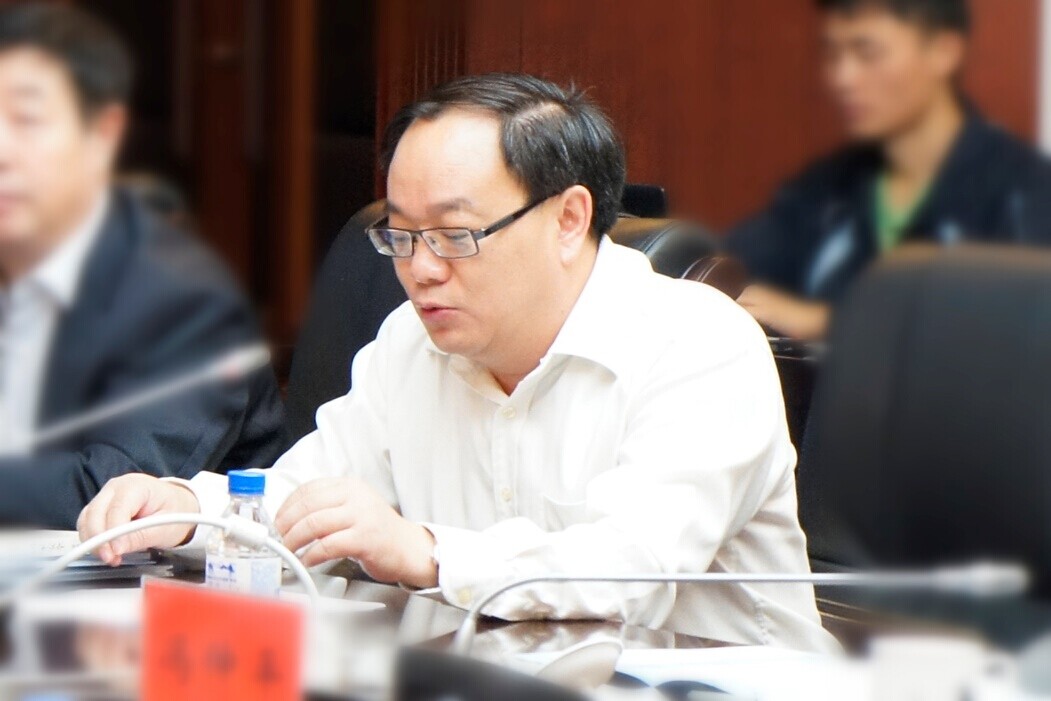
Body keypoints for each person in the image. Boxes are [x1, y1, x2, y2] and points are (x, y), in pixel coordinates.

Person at [80, 73, 836, 651]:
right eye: (401, 235)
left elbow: (627, 572)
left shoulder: (698, 343)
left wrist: (424, 551)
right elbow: (304, 500)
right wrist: (179, 509)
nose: (421, 270)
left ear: (568, 218)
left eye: (454, 235)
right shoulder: (411, 342)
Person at [0, 3, 288, 527]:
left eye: (27, 121)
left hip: (173, 574)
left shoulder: (186, 302)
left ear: (101, 134)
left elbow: (109, 494)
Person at [728, 0, 1051, 340]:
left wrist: (829, 323)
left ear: (944, 51)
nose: (842, 78)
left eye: (867, 53)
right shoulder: (826, 189)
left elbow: (1022, 334)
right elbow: (734, 261)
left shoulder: (1024, 192)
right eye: (833, 54)